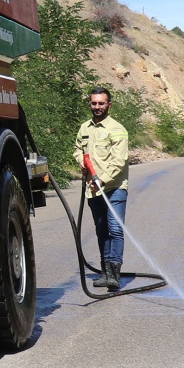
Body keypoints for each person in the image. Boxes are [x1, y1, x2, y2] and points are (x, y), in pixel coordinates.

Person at [75, 86, 130, 291]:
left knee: (115, 230)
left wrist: (103, 179)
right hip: (93, 189)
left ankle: (115, 274)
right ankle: (105, 272)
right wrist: (81, 159)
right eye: (94, 103)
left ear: (109, 105)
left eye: (101, 103)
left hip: (114, 188)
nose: (97, 107)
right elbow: (77, 149)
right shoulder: (84, 128)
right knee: (101, 231)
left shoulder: (117, 129)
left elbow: (120, 161)